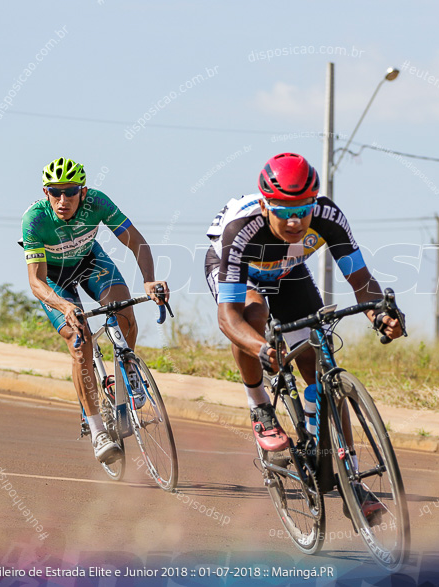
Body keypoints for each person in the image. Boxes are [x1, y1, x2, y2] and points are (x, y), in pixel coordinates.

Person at [204, 152, 403, 519]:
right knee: (254, 313)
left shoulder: (328, 216)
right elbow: (228, 318)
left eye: (303, 208)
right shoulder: (241, 230)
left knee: (318, 357)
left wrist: (380, 313)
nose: (295, 220)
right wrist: (261, 348)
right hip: (241, 274)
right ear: (265, 204)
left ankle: (348, 475)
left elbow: (362, 282)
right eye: (283, 210)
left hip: (287, 273)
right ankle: (260, 406)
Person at [21, 157, 168, 465]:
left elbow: (137, 242)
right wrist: (64, 306)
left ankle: (127, 370)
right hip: (53, 279)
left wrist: (150, 280)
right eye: (55, 192)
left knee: (124, 309)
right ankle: (99, 429)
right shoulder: (35, 219)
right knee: (80, 343)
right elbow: (35, 281)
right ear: (45, 192)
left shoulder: (98, 202)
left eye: (70, 192)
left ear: (83, 192)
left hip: (90, 263)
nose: (63, 200)